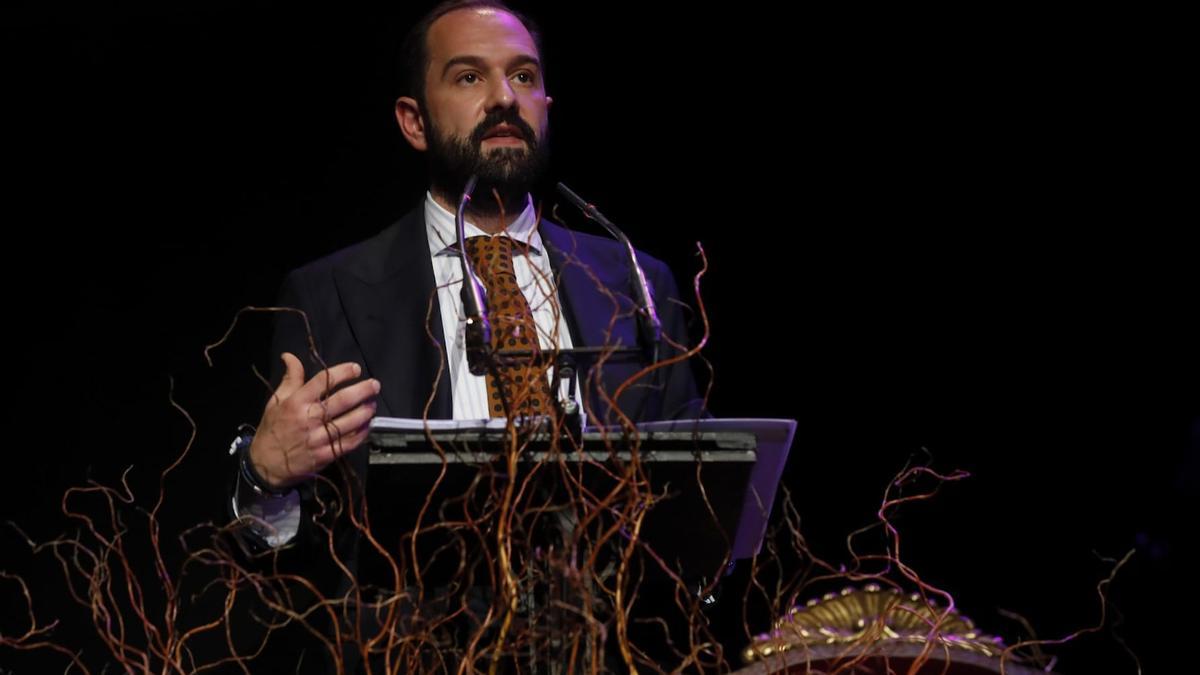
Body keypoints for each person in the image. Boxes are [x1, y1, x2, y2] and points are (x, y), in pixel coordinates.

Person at [224, 1, 705, 669]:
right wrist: (266, 477)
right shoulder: (328, 293)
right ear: (413, 121)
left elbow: (698, 501)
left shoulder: (633, 279)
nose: (505, 98)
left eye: (525, 77)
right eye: (470, 78)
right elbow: (288, 560)